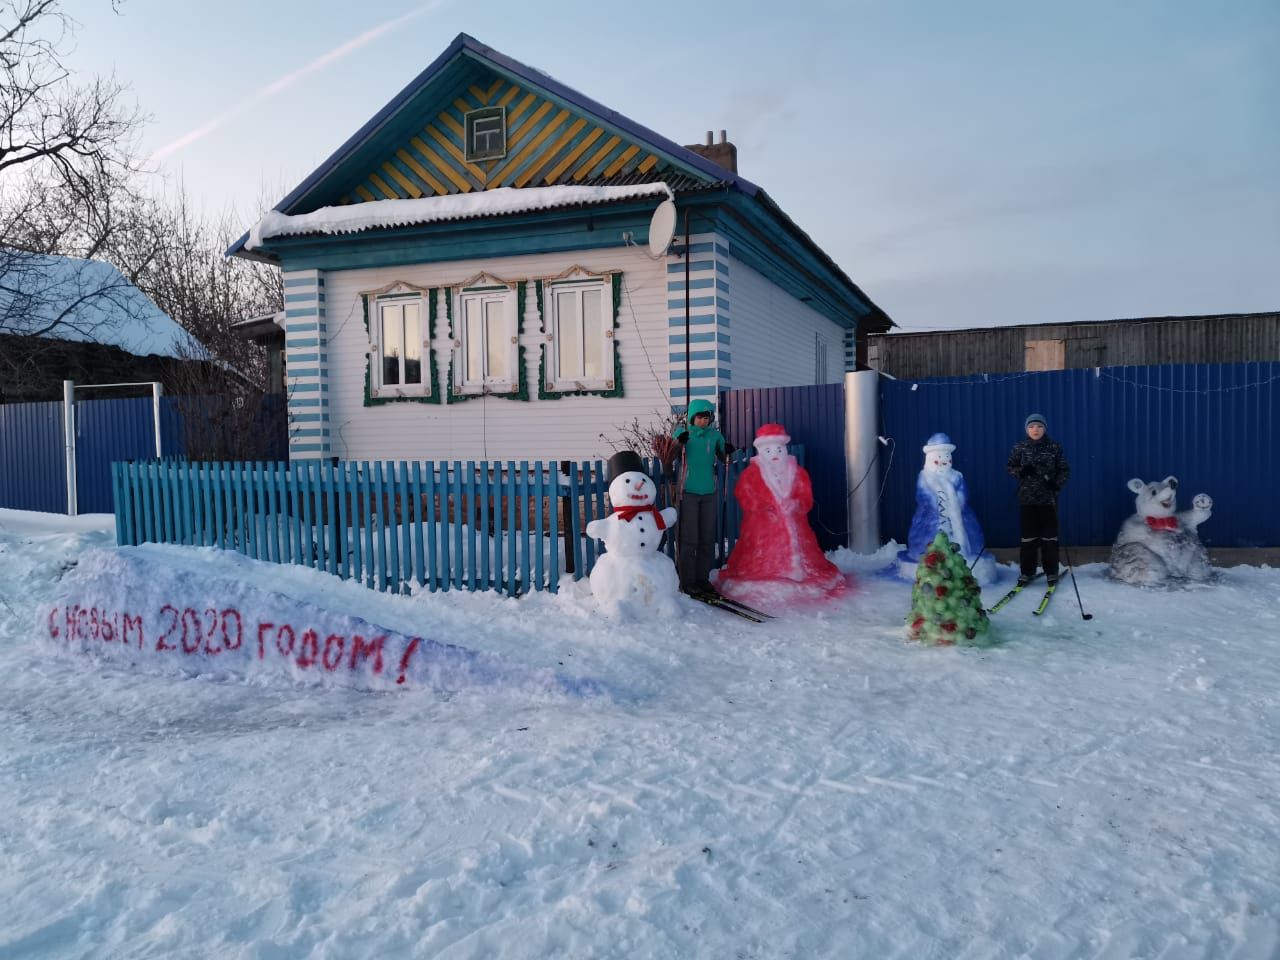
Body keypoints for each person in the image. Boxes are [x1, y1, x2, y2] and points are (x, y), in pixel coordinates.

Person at [715, 423, 845, 610]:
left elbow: (804, 495)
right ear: (760, 451)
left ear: (784, 448)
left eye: (778, 448)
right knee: (759, 561)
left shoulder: (797, 472)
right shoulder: (752, 474)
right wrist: (762, 508)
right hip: (763, 530)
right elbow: (745, 494)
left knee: (806, 559)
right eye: (768, 450)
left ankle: (798, 572)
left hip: (796, 527)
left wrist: (797, 504)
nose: (775, 454)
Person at [673, 399, 732, 594]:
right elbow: (671, 453)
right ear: (692, 417)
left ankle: (702, 578)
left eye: (707, 418)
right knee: (689, 540)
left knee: (707, 539)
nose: (703, 421)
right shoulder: (684, 434)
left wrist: (728, 452)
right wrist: (678, 442)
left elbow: (724, 457)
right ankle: (687, 581)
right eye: (699, 417)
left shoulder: (715, 436)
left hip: (709, 492)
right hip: (687, 492)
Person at [1006, 413, 1070, 587]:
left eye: (1039, 426)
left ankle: (1051, 572)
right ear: (1026, 429)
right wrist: (1020, 472)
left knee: (1050, 538)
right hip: (1027, 499)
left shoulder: (1054, 447)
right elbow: (1010, 466)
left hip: (1048, 500)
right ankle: (1027, 572)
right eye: (1032, 426)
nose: (1035, 430)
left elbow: (1064, 469)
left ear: (1045, 429)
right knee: (1029, 538)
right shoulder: (1020, 447)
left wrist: (1056, 484)